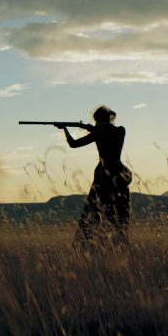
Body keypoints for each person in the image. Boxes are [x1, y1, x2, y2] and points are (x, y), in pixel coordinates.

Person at [58, 105, 132, 247]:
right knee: (118, 215)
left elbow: (73, 144)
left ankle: (84, 243)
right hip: (119, 172)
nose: (95, 124)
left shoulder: (99, 132)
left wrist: (65, 129)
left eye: (96, 121)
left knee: (92, 210)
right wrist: (90, 128)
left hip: (103, 176)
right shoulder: (121, 131)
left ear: (100, 120)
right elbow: (107, 132)